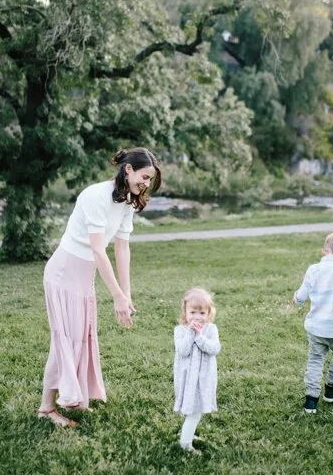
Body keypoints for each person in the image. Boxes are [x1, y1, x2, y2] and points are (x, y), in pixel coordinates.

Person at [37, 148, 161, 428]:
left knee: (81, 338)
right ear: (128, 169)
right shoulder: (96, 195)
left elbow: (122, 247)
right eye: (144, 177)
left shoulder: (127, 202)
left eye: (150, 180)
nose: (146, 184)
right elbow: (97, 249)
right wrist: (115, 295)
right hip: (64, 273)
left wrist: (126, 294)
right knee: (65, 339)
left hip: (84, 277)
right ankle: (46, 409)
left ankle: (75, 398)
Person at [294, 232, 333, 414]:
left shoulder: (313, 269)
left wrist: (296, 299)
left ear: (324, 251)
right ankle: (332, 389)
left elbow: (302, 294)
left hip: (316, 327)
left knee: (315, 359)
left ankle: (311, 401)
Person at [172, 287, 221, 454]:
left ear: (209, 313)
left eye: (202, 313)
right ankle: (185, 444)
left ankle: (187, 434)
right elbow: (183, 350)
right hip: (187, 378)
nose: (197, 317)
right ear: (185, 312)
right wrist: (191, 334)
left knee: (196, 408)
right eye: (192, 312)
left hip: (204, 378)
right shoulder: (180, 330)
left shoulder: (211, 329)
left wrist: (200, 337)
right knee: (193, 411)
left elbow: (214, 349)